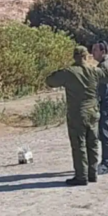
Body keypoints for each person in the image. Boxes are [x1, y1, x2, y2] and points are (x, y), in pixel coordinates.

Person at [46, 46, 108, 186]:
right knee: (92, 143)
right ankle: (92, 174)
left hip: (77, 114)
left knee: (79, 144)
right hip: (93, 112)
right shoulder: (95, 71)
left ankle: (81, 176)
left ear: (74, 57)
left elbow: (50, 81)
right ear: (87, 57)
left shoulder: (69, 72)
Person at [93, 41, 108, 174]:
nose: (93, 53)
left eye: (95, 50)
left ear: (103, 52)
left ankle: (106, 163)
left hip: (106, 103)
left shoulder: (104, 67)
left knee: (104, 133)